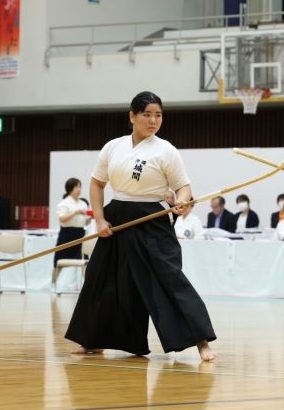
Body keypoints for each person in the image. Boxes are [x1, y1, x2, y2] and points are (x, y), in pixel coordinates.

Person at [65, 91, 216, 361]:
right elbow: (97, 183)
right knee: (102, 278)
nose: (153, 120)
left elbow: (183, 186)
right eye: (147, 114)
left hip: (152, 220)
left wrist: (181, 201)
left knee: (168, 279)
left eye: (158, 115)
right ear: (132, 116)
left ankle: (200, 340)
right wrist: (99, 219)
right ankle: (94, 340)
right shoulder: (113, 147)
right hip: (118, 217)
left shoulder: (165, 150)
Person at [54, 178, 91, 267]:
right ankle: (58, 280)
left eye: (80, 187)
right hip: (67, 235)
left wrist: (90, 219)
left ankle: (81, 280)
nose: (79, 189)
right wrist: (75, 212)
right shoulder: (64, 203)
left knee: (82, 260)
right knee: (61, 261)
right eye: (76, 187)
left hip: (80, 234)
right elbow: (62, 219)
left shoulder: (83, 203)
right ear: (70, 188)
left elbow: (85, 222)